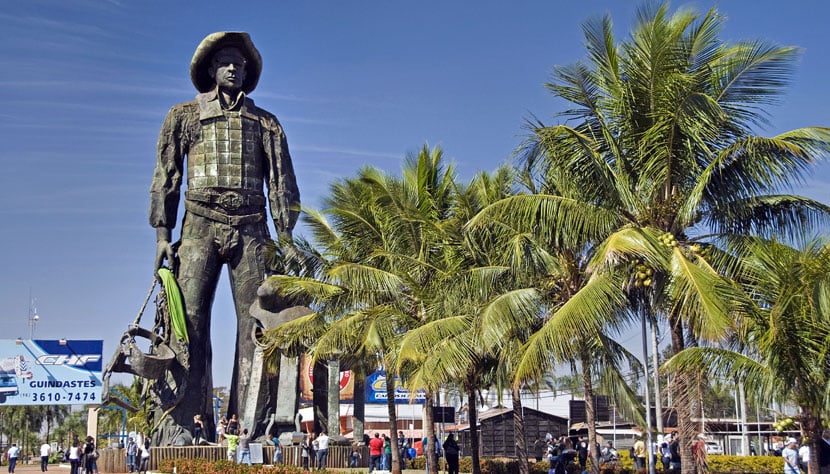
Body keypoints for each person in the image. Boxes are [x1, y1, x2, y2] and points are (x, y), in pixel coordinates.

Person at [149, 31, 300, 442]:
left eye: (240, 63)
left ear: (248, 72)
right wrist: (163, 233)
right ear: (211, 70)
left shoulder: (266, 123)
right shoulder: (183, 116)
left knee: (258, 325)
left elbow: (282, 185)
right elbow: (167, 178)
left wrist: (285, 237)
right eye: (225, 62)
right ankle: (183, 424)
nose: (233, 68)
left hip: (253, 229)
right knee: (188, 322)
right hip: (198, 226)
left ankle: (253, 424)